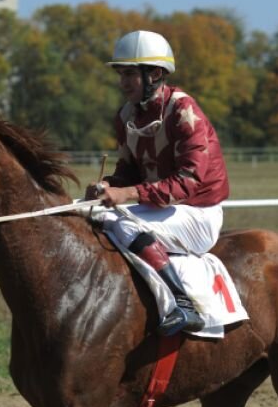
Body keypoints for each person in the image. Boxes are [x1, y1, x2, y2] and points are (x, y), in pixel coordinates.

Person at [85, 30, 231, 336]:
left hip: (198, 212)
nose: (123, 83)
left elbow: (188, 182)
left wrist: (126, 193)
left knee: (125, 225)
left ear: (154, 74)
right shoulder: (125, 116)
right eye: (120, 74)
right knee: (87, 213)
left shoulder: (183, 111)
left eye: (129, 74)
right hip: (159, 208)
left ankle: (183, 304)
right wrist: (107, 186)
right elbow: (128, 170)